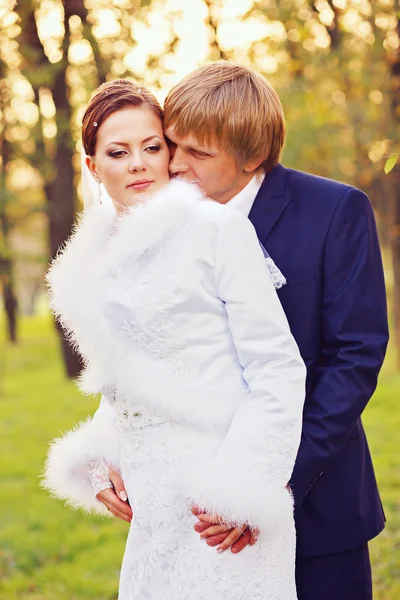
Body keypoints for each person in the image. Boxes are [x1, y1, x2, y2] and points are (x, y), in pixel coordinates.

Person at [91, 63, 389, 600]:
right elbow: (146, 359)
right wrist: (104, 448)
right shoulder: (162, 225)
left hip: (319, 498)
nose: (175, 166)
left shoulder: (334, 210)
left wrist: (262, 486)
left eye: (198, 154)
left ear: (251, 158)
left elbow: (354, 357)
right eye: (172, 144)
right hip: (198, 518)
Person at [43, 79, 306, 600]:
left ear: (168, 153)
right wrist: (100, 459)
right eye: (118, 152)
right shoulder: (95, 256)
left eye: (152, 147)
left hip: (220, 490)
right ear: (93, 165)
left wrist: (243, 489)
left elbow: (278, 367)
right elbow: (127, 376)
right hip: (152, 496)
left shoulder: (216, 230)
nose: (138, 163)